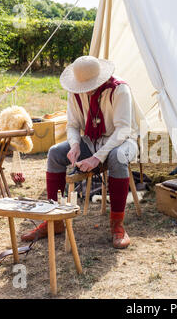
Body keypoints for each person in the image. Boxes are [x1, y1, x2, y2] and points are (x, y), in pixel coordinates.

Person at [21, 56, 141, 249]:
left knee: (116, 156)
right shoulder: (75, 91)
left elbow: (123, 130)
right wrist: (75, 144)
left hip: (123, 141)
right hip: (91, 140)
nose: (84, 90)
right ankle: (56, 219)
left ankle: (117, 224)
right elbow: (73, 125)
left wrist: (97, 158)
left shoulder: (120, 90)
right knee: (54, 154)